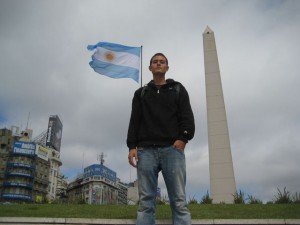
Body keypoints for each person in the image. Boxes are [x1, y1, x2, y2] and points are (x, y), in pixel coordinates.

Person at [127, 53, 195, 225]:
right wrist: (131, 146)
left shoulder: (178, 89)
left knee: (179, 200)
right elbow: (134, 121)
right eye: (155, 62)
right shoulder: (140, 93)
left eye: (162, 62)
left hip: (172, 150)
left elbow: (187, 117)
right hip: (145, 151)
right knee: (145, 203)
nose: (158, 64)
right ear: (150, 67)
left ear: (167, 67)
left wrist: (183, 139)